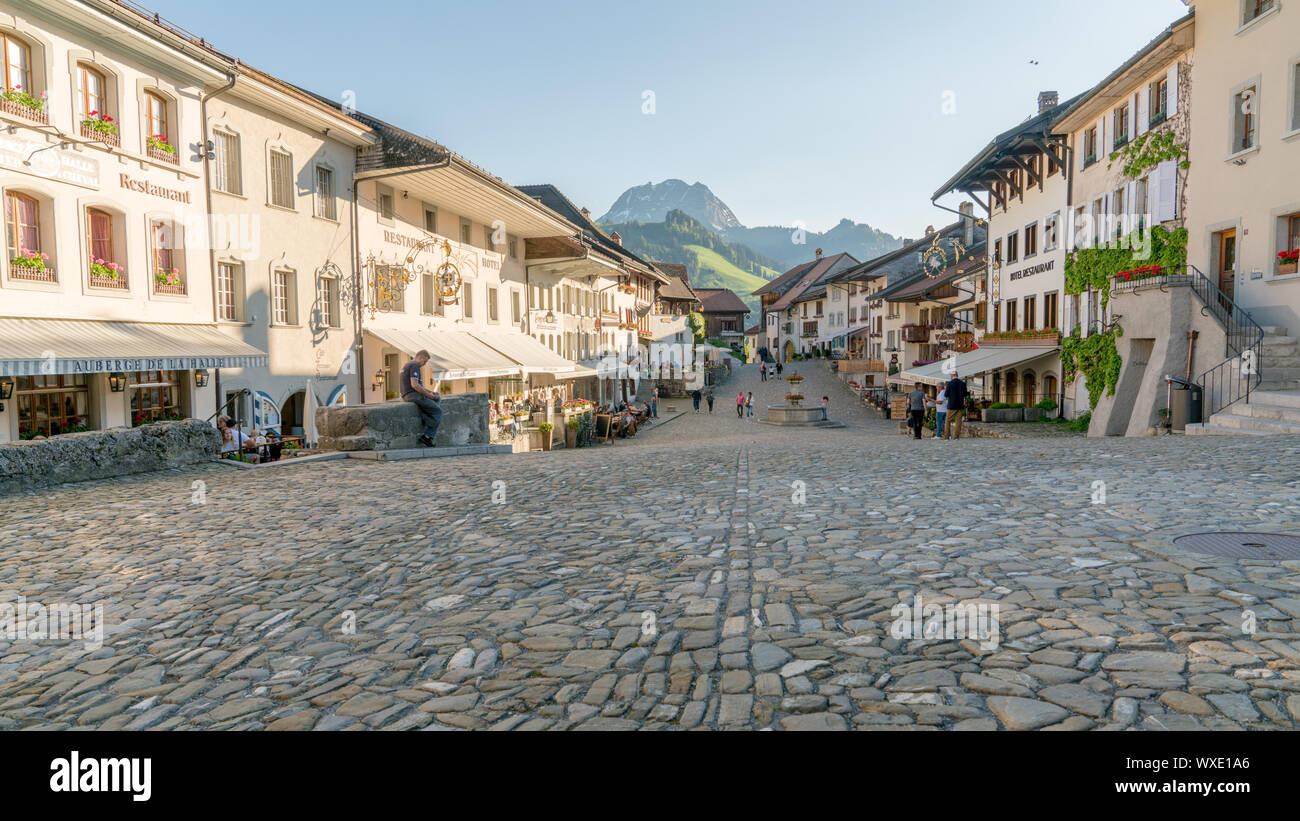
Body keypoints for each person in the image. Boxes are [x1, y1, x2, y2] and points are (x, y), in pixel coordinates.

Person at [400, 349, 442, 447]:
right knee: (438, 411)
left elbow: (418, 386)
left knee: (437, 398)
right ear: (420, 357)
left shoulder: (408, 364)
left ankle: (428, 419)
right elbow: (415, 385)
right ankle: (427, 436)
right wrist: (429, 395)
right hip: (412, 395)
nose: (425, 364)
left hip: (409, 394)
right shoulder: (414, 365)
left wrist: (431, 392)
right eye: (425, 361)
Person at [943, 372, 969, 440]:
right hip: (960, 404)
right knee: (958, 421)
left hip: (951, 405)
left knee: (948, 420)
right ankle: (956, 436)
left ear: (952, 376)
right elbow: (965, 394)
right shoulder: (962, 383)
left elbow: (946, 394)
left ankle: (946, 436)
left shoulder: (950, 383)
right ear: (957, 375)